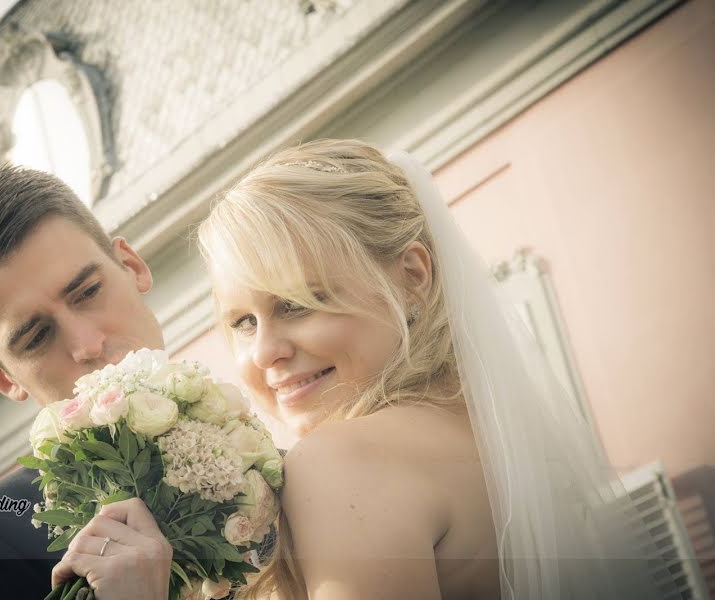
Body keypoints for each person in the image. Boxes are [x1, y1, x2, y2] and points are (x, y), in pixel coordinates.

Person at [192, 139, 668, 599]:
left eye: (296, 304)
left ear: (412, 276)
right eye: (243, 322)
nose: (263, 352)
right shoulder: (493, 440)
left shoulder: (338, 461)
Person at [0, 165, 174, 600]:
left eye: (88, 292)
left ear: (132, 266)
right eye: (36, 336)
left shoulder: (287, 468)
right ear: (4, 378)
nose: (87, 345)